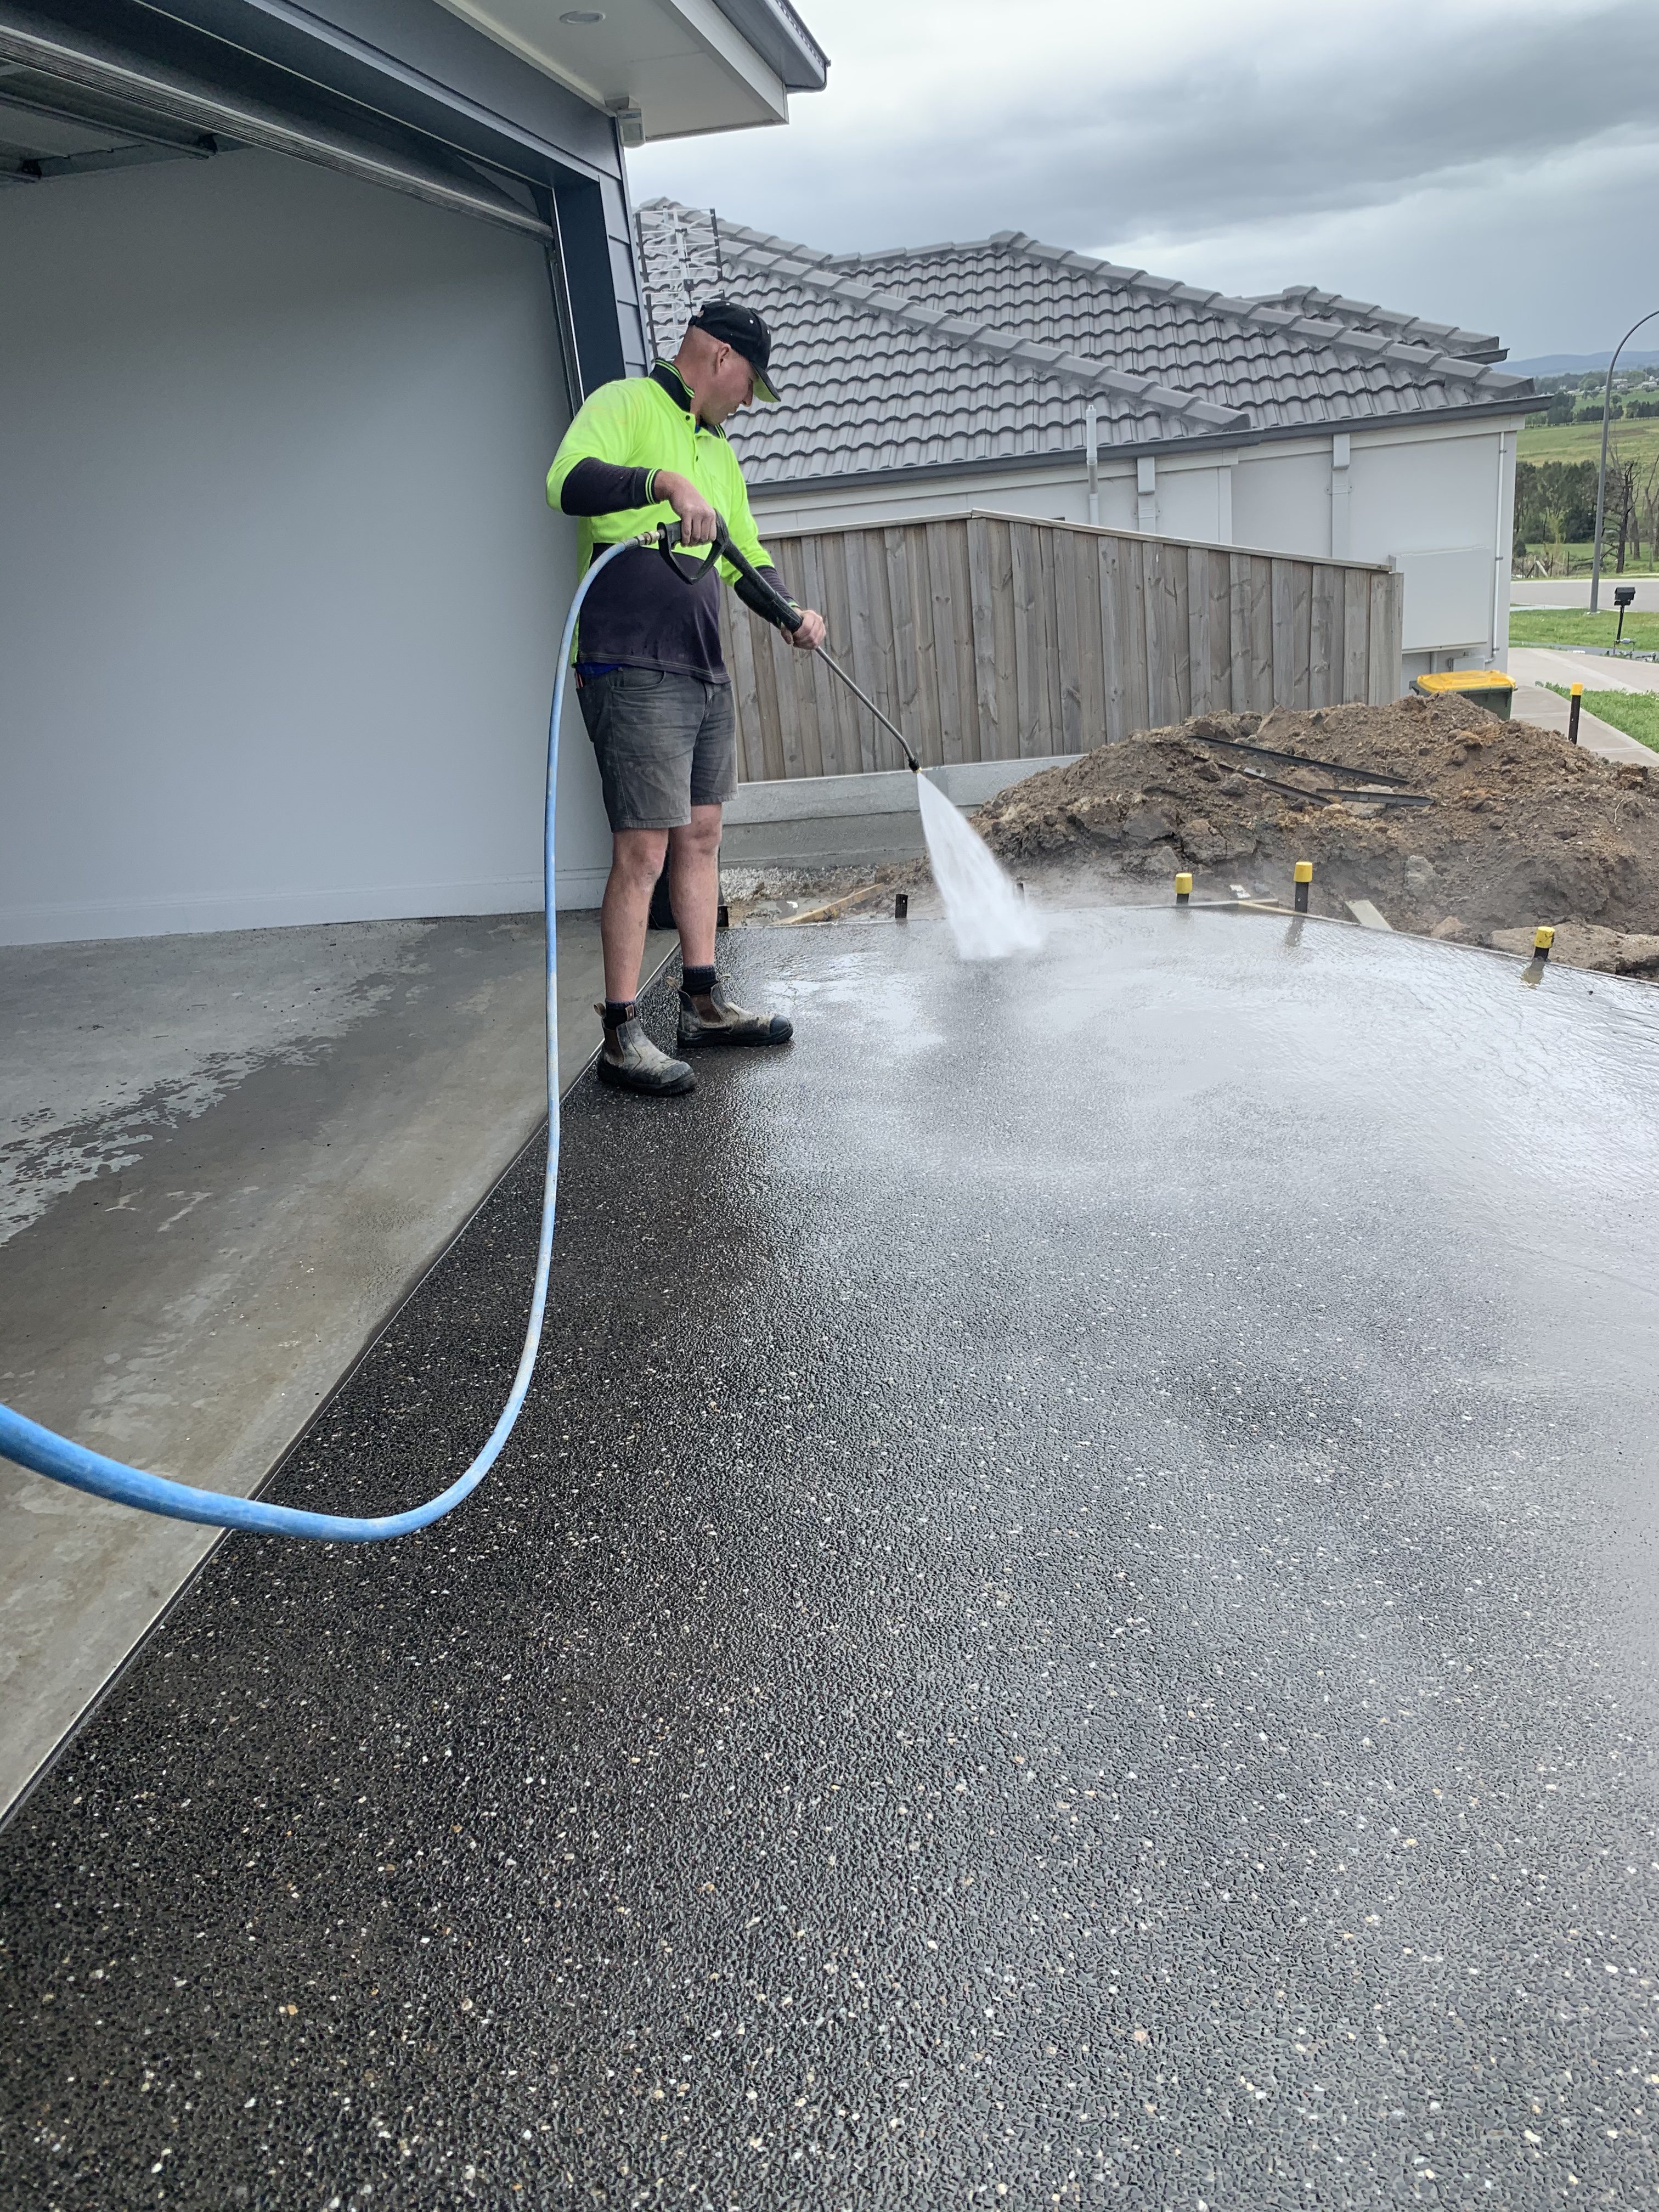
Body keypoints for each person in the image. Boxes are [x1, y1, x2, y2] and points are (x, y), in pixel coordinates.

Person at [545, 301, 827, 1097]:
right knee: (643, 851)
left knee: (701, 835)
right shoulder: (625, 406)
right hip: (629, 664)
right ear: (715, 355)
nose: (748, 400)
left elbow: (743, 556)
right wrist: (660, 482)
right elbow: (565, 483)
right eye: (748, 383)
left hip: (702, 667)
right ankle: (621, 1034)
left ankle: (702, 1005)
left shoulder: (719, 452)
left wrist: (789, 612)